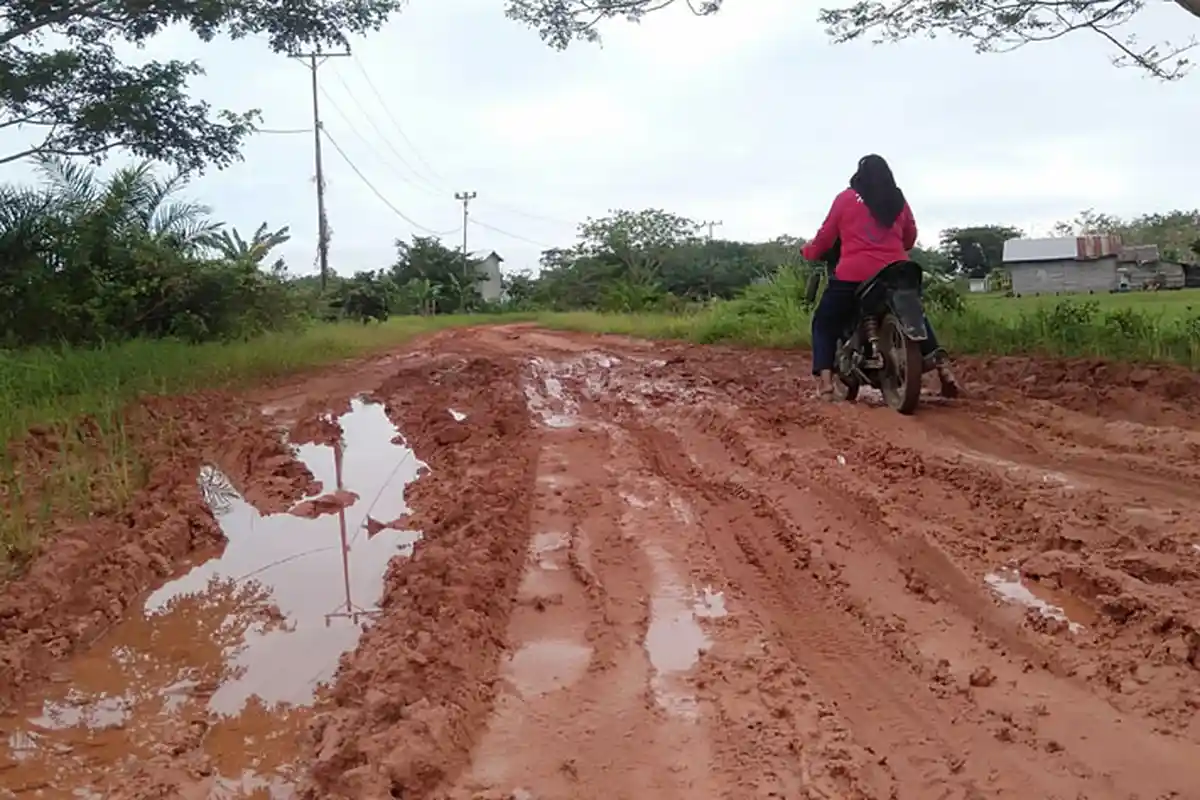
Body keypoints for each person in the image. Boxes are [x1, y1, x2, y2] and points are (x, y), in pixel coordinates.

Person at [801, 154, 960, 400]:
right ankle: (944, 370)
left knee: (824, 321)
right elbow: (909, 237)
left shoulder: (845, 199)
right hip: (896, 272)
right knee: (915, 311)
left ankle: (825, 384)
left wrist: (808, 251)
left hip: (854, 274)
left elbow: (826, 237)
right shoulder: (897, 200)